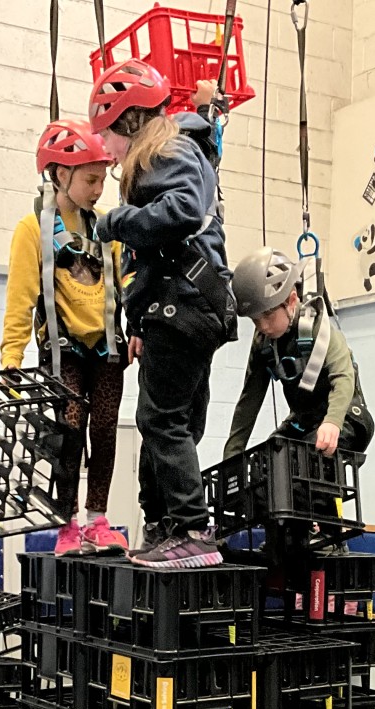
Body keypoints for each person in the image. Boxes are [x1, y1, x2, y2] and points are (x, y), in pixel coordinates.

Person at [88, 60, 235, 570]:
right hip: (186, 306)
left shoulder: (166, 151)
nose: (104, 150)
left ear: (128, 122)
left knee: (160, 419)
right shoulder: (180, 150)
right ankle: (172, 525)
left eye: (107, 135)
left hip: (185, 302)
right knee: (180, 419)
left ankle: (192, 528)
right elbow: (147, 259)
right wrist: (136, 323)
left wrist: (115, 221)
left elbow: (183, 212)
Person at [1, 119, 131, 557]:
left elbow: (128, 280)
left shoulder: (108, 228)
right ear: (60, 174)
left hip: (108, 347)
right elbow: (19, 299)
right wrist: (11, 357)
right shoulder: (32, 229)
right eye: (90, 179)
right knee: (69, 431)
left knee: (107, 430)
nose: (99, 189)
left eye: (101, 179)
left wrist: (143, 331)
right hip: (64, 351)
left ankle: (97, 518)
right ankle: (67, 523)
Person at [224, 247, 375, 461]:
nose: (263, 325)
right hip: (305, 423)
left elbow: (343, 376)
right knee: (267, 463)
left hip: (347, 418)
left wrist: (332, 422)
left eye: (268, 315)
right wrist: (232, 455)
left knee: (299, 462)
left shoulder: (316, 328)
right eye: (255, 319)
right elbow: (249, 401)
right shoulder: (263, 344)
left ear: (291, 300)